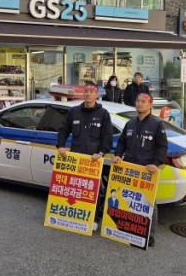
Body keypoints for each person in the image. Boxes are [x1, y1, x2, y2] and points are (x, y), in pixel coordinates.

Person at [113, 93, 168, 247]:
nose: (139, 104)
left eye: (143, 102)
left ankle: (149, 234)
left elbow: (162, 147)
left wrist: (156, 164)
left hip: (146, 170)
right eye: (137, 101)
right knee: (130, 199)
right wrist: (118, 155)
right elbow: (122, 142)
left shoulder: (157, 125)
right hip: (130, 167)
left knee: (148, 202)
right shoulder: (130, 124)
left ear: (150, 105)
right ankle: (129, 227)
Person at [56, 82, 113, 229]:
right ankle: (75, 216)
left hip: (93, 161)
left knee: (93, 190)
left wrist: (100, 153)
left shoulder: (103, 114)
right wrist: (61, 146)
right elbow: (63, 129)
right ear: (83, 93)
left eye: (91, 92)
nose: (88, 94)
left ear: (96, 94)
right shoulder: (74, 112)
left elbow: (107, 138)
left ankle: (93, 219)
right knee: (75, 188)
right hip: (76, 158)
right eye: (86, 91)